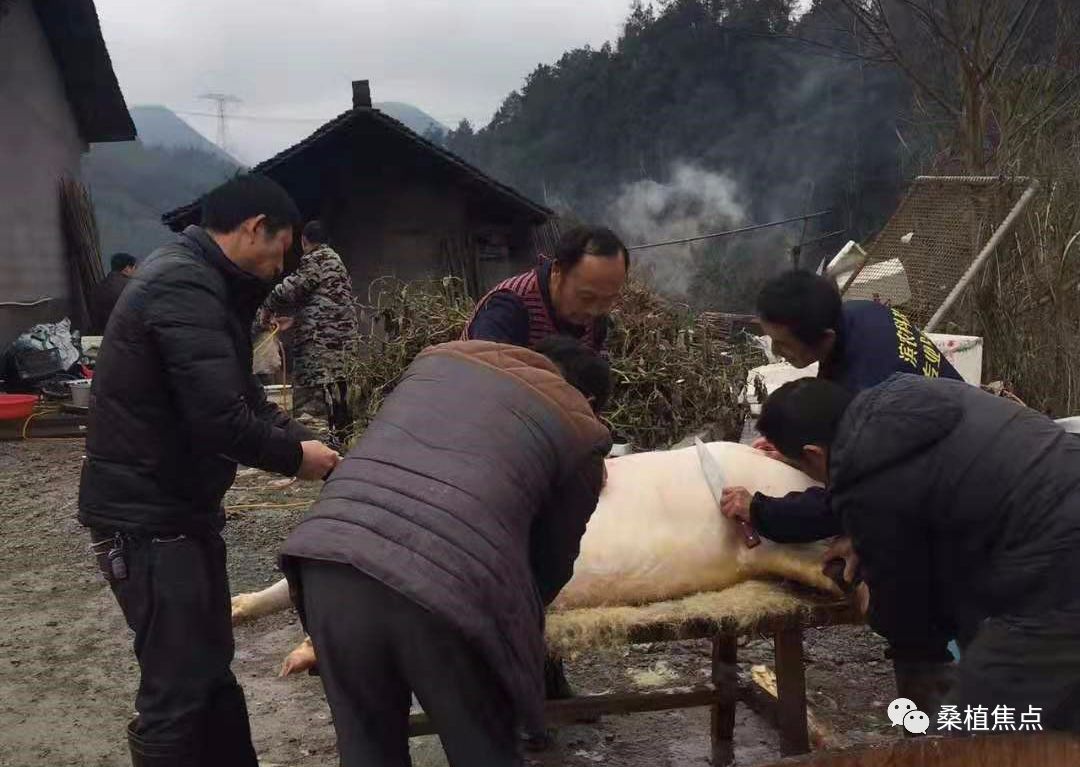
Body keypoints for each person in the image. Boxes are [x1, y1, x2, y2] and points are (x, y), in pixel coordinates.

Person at [78, 174, 341, 766]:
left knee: (210, 672)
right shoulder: (182, 285)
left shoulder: (205, 284)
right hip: (143, 519)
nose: (279, 269)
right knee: (177, 689)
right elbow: (220, 419)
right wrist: (296, 460)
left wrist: (301, 436)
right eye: (280, 251)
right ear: (254, 230)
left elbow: (241, 394)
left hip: (179, 512)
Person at [279, 337, 613, 767]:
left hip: (327, 559)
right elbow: (549, 566)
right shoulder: (579, 430)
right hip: (446, 589)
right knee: (482, 749)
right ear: (586, 400)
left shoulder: (442, 364)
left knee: (367, 749)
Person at [752, 374, 1080, 732]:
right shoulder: (907, 393)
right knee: (1055, 716)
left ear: (813, 454)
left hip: (1059, 560)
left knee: (967, 735)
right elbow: (934, 495)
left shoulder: (867, 478)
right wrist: (868, 534)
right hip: (1061, 492)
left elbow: (911, 620)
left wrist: (871, 599)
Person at [720, 270, 963, 544]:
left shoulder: (872, 394)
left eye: (783, 343)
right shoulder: (858, 314)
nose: (775, 351)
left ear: (825, 339)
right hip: (957, 416)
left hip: (956, 483)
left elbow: (850, 496)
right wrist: (792, 440)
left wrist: (759, 511)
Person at [257, 220, 359, 449]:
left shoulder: (318, 258)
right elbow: (324, 299)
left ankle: (337, 441)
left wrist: (267, 304)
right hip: (340, 336)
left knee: (329, 386)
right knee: (338, 385)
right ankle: (343, 436)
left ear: (304, 241)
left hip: (326, 338)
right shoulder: (334, 260)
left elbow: (293, 288)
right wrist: (296, 319)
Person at [463, 224, 629, 355]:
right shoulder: (509, 308)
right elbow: (484, 377)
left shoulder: (597, 317)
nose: (594, 310)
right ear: (558, 271)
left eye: (607, 300)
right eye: (586, 297)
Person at [90, 252, 137, 334]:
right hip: (124, 335)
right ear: (127, 269)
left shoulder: (99, 286)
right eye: (134, 268)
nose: (136, 271)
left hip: (102, 334)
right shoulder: (131, 287)